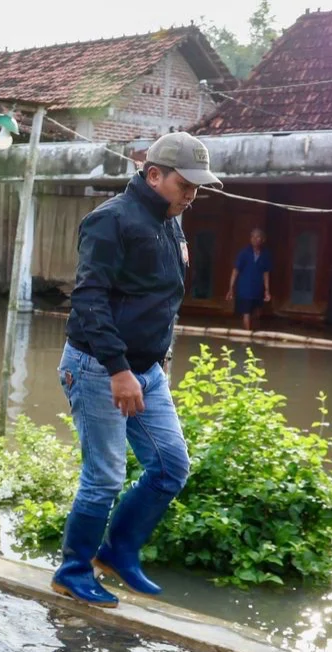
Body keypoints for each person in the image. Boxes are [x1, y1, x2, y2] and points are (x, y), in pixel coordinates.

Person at [54, 131, 214, 607]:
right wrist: (119, 370)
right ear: (154, 175)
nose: (193, 195)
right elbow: (88, 299)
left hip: (146, 368)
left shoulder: (170, 220)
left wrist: (154, 360)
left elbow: (159, 297)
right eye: (186, 184)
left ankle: (118, 552)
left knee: (170, 467)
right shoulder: (111, 221)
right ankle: (73, 570)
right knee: (104, 476)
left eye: (198, 187)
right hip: (98, 366)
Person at [226, 228, 272, 331]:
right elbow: (235, 271)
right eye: (253, 237)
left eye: (258, 237)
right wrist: (231, 288)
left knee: (256, 313)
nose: (255, 239)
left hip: (257, 289)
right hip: (244, 289)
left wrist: (267, 290)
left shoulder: (265, 255)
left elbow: (266, 273)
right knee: (246, 313)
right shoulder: (244, 253)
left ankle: (253, 333)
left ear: (263, 239)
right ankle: (247, 336)